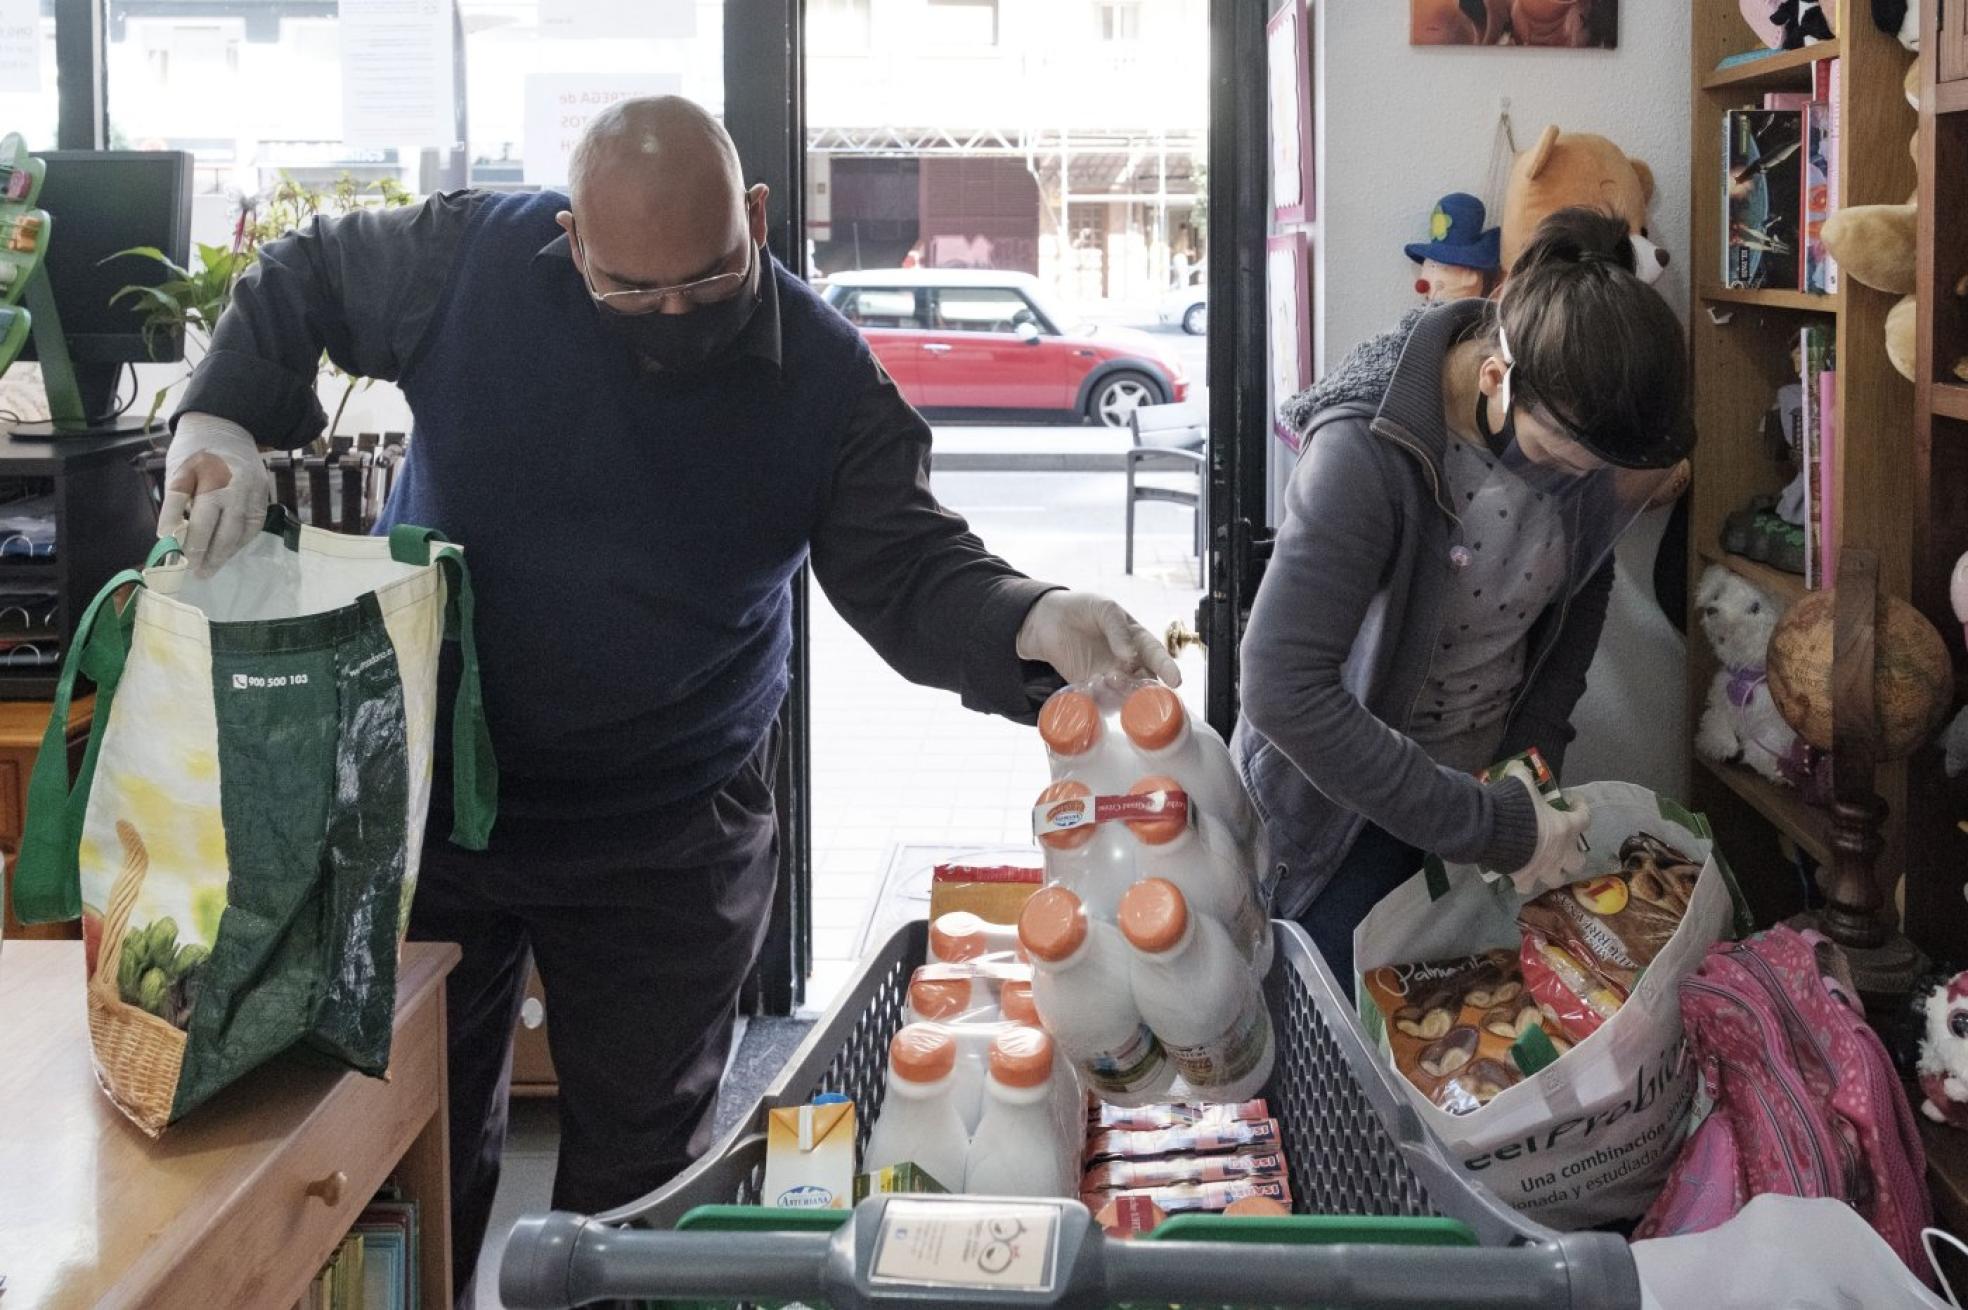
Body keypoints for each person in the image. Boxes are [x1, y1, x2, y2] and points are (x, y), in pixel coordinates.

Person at [159, 96, 1177, 1303]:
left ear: (756, 218)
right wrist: (220, 414)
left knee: (637, 1188)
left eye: (709, 280)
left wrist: (1032, 617)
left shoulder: (825, 377)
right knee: (408, 1146)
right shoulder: (471, 261)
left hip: (669, 831)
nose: (677, 317)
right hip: (435, 794)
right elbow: (305, 273)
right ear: (573, 244)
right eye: (634, 293)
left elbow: (909, 567)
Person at [1233, 207, 1693, 987]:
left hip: (1484, 803)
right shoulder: (1366, 452)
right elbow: (1282, 689)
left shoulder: (1570, 415)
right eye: (1562, 457)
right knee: (1343, 1052)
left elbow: (1580, 591)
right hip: (1344, 817)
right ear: (1495, 378)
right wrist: (1494, 826)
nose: (1577, 481)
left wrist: (1530, 768)